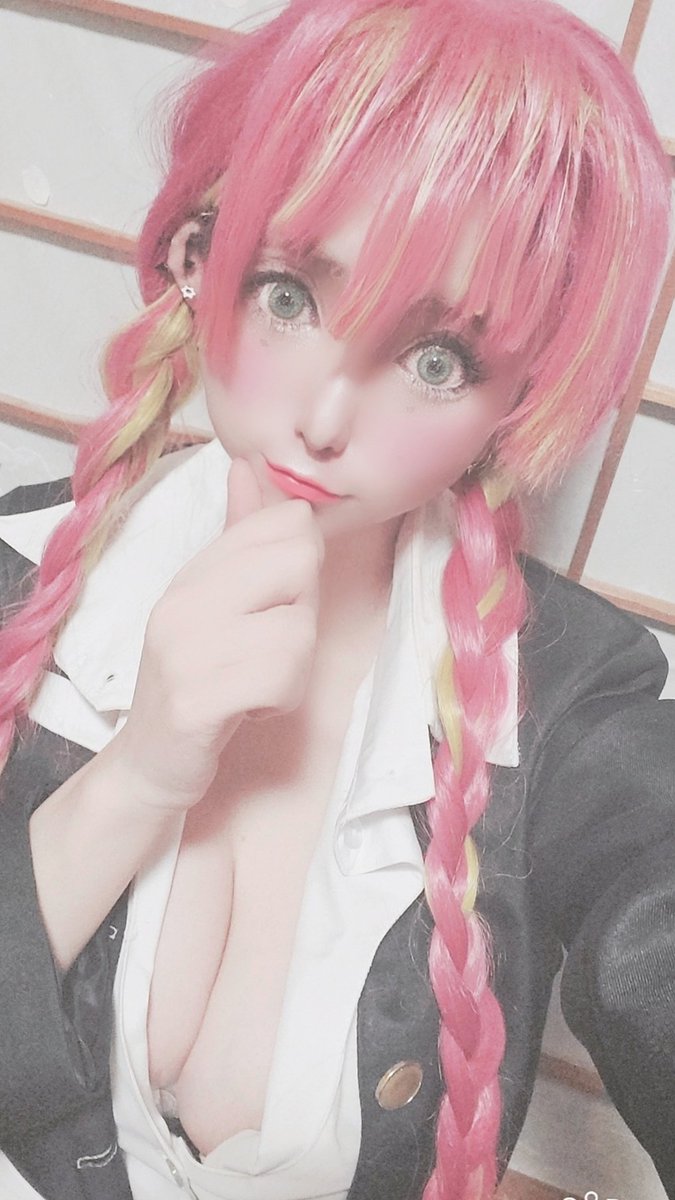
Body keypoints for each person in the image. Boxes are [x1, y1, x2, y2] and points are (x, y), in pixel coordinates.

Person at [0, 0, 672, 1197]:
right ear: (197, 257)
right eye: (288, 295)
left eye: (435, 361)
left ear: (518, 402)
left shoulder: (567, 699)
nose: (321, 417)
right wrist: (140, 773)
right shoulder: (23, 569)